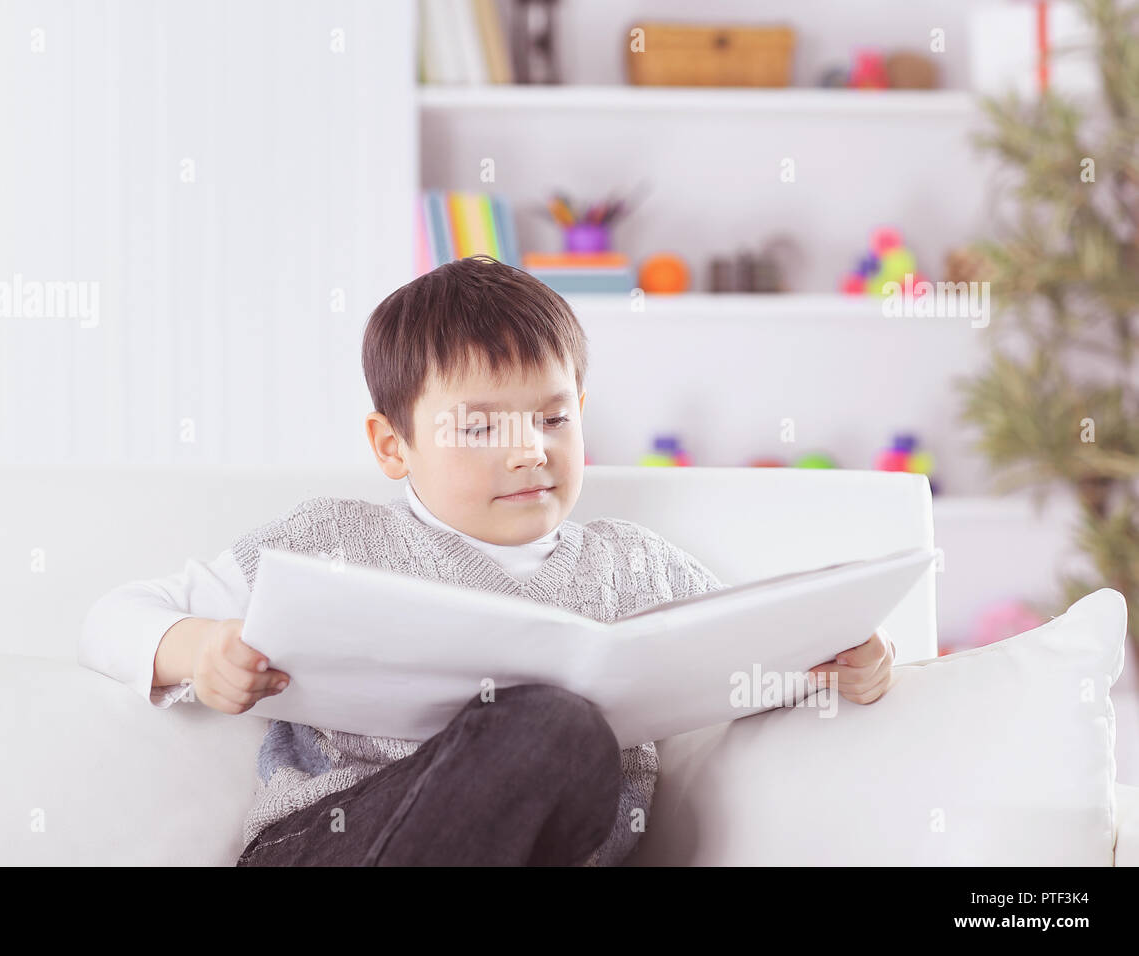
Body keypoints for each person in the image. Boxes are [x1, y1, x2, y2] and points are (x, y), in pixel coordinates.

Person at [78, 254, 897, 866]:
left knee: (564, 739)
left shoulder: (634, 567)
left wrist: (843, 660)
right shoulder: (332, 540)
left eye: (552, 419)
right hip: (338, 845)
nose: (527, 453)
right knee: (552, 725)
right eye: (480, 428)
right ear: (393, 446)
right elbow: (111, 619)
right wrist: (201, 649)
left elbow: (758, 657)